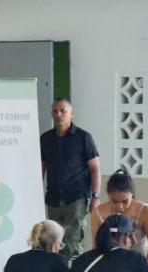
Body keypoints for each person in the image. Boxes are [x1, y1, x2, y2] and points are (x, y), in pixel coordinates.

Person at [39, 98, 100, 263]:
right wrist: (36, 193)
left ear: (72, 114)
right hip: (53, 198)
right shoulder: (46, 139)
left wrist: (95, 196)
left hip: (76, 197)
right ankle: (56, 271)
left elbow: (95, 168)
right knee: (52, 239)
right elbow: (42, 167)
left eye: (63, 111)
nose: (58, 114)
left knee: (72, 239)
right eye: (55, 111)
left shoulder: (83, 138)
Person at [90, 167, 148, 258]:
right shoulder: (98, 212)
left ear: (132, 196)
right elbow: (96, 246)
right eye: (115, 201)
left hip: (140, 261)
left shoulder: (144, 211)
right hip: (110, 261)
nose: (120, 207)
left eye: (125, 202)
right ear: (109, 196)